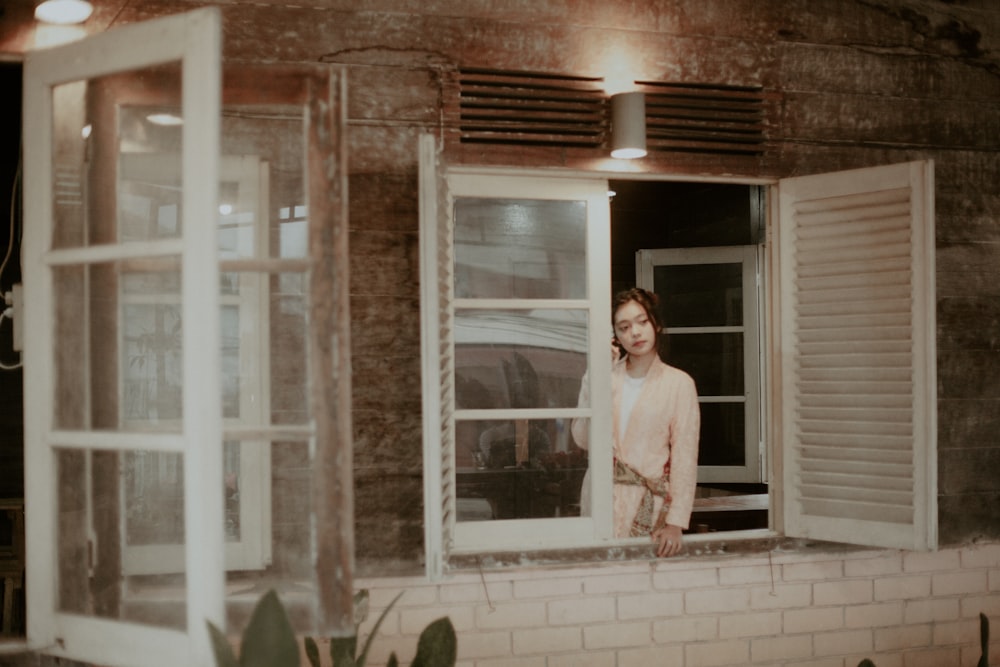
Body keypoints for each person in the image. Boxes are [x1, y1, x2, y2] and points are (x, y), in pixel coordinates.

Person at [571, 287, 700, 557]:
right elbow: (582, 439)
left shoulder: (678, 384)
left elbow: (685, 458)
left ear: (657, 324)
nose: (635, 333)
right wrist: (595, 377)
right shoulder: (606, 378)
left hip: (648, 504)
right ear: (615, 336)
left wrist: (676, 522)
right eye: (624, 327)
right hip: (600, 498)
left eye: (642, 322)